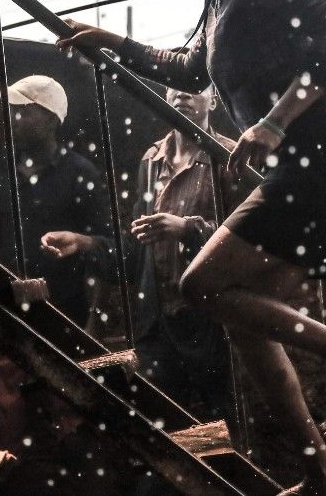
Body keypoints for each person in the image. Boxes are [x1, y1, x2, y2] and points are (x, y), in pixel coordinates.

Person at [57, 0, 326, 495]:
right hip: (302, 166)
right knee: (245, 319)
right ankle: (324, 476)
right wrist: (114, 43)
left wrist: (273, 122)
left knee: (202, 286)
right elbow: (188, 67)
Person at [42, 86, 239, 426]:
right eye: (176, 86)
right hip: (157, 324)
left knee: (223, 423)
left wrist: (187, 229)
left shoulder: (228, 157)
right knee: (162, 426)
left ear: (215, 99)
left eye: (195, 88)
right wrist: (85, 243)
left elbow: (243, 242)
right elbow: (136, 251)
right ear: (164, 94)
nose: (183, 94)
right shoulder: (151, 161)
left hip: (209, 319)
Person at [0, 75, 112, 330]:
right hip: (11, 314)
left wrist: (93, 324)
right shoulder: (6, 172)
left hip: (64, 318)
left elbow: (106, 251)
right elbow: (1, 245)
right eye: (11, 111)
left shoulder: (81, 173)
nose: (12, 119)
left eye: (23, 111)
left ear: (52, 120)